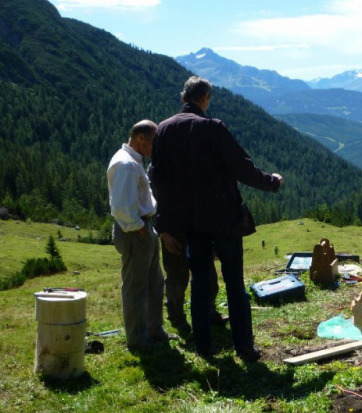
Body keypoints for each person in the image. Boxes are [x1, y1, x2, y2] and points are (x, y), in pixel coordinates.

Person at [151, 76, 283, 361]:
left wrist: (164, 226)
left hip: (191, 224)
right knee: (234, 282)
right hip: (224, 219)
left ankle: (203, 348)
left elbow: (158, 181)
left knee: (199, 282)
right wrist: (271, 182)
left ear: (183, 98)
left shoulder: (162, 130)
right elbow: (242, 167)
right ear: (206, 97)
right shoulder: (212, 128)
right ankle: (244, 347)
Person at [107, 120, 169, 352]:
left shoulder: (134, 161)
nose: (155, 148)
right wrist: (140, 227)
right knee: (135, 287)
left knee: (155, 281)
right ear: (140, 138)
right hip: (135, 232)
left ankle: (154, 330)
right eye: (153, 142)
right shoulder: (126, 165)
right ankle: (137, 338)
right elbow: (123, 208)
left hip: (144, 228)